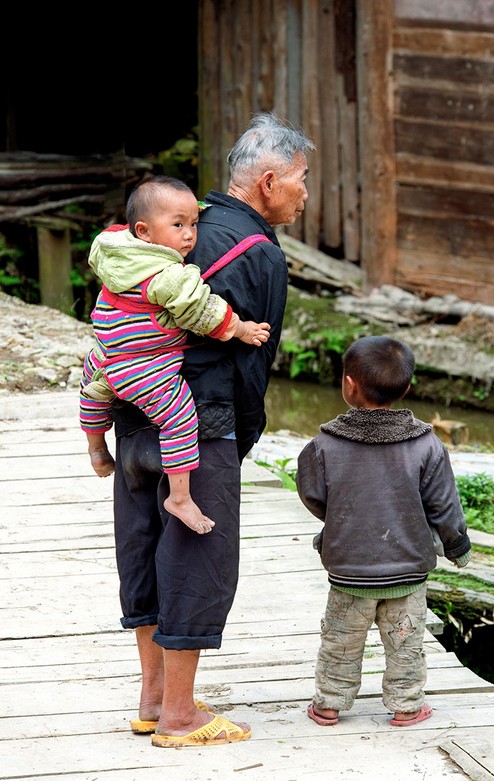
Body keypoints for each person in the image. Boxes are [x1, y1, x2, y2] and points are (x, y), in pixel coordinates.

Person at [109, 112, 316, 746]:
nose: (306, 193)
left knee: (145, 548)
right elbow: (252, 371)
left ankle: (152, 698)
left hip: (132, 409)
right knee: (198, 561)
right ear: (270, 181)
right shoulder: (259, 255)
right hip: (200, 427)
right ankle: (179, 715)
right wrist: (236, 446)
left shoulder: (173, 226)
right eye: (303, 180)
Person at [296, 335, 472, 728]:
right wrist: (457, 545)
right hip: (407, 574)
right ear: (406, 389)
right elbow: (444, 505)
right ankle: (407, 706)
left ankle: (328, 704)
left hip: (348, 573)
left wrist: (341, 518)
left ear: (348, 384)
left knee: (340, 643)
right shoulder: (427, 445)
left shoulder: (324, 445)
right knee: (406, 645)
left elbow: (311, 494)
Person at [79, 176, 270, 535]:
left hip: (106, 354)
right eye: (179, 225)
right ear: (145, 231)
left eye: (195, 223)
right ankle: (180, 497)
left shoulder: (112, 248)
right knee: (180, 417)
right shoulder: (166, 274)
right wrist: (242, 329)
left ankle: (95, 447)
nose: (190, 236)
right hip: (143, 365)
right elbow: (202, 310)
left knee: (90, 390)